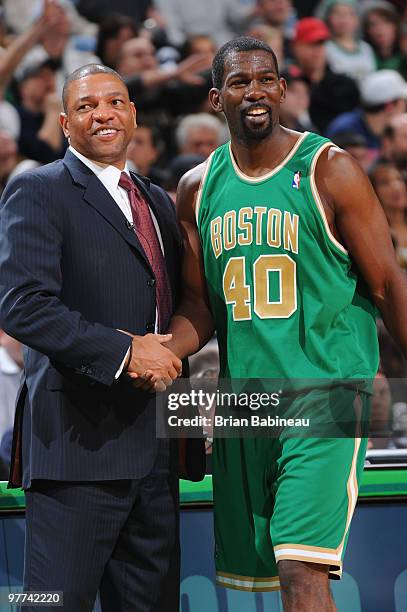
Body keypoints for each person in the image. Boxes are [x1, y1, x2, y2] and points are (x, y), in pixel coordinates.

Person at [138, 37, 407, 610]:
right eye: (239, 82)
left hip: (327, 390)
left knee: (300, 571)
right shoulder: (197, 187)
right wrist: (159, 351)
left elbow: (386, 284)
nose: (255, 92)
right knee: (256, 583)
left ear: (284, 89)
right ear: (216, 97)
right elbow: (199, 305)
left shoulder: (329, 169)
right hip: (246, 405)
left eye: (266, 79)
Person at [0, 63, 203, 612]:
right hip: (76, 452)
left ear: (133, 113)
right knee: (50, 605)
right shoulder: (38, 190)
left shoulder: (158, 199)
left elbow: (186, 306)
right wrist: (124, 351)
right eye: (86, 106)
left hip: (157, 453)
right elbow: (23, 305)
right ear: (65, 123)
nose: (103, 114)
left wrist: (168, 352)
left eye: (114, 101)